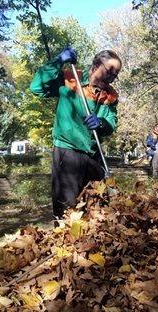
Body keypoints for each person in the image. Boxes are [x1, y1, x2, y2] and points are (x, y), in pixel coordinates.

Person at [30, 48, 121, 220]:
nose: (111, 78)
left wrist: (102, 123)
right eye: (109, 72)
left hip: (94, 155)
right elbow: (37, 87)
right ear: (95, 65)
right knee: (67, 208)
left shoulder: (111, 95)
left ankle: (91, 244)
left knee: (97, 205)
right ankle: (65, 245)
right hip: (68, 153)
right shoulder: (70, 78)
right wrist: (58, 60)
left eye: (115, 75)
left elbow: (111, 122)